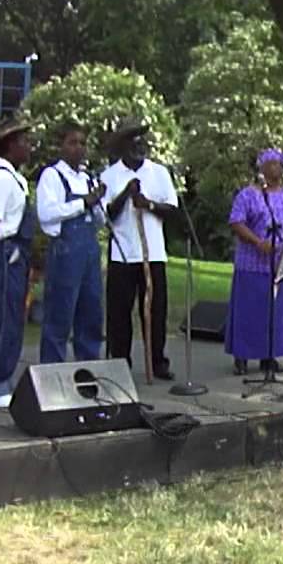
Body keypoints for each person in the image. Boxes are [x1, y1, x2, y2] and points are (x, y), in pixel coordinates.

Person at [100, 118, 179, 380]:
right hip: (122, 254)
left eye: (141, 139)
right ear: (122, 146)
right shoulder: (109, 176)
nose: (139, 145)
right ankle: (120, 361)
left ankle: (157, 360)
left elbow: (173, 209)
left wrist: (150, 205)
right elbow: (106, 214)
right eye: (132, 140)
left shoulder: (159, 172)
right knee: (120, 312)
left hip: (153, 254)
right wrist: (125, 194)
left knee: (156, 311)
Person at [225, 149, 283, 376]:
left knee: (275, 313)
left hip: (280, 265)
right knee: (249, 311)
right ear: (261, 168)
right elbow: (236, 222)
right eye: (269, 164)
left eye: (278, 164)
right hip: (252, 264)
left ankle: (269, 356)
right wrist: (258, 242)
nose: (274, 168)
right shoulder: (249, 195)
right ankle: (241, 357)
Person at [37, 124, 106, 364]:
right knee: (60, 313)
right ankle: (52, 371)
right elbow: (46, 214)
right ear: (61, 146)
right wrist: (82, 204)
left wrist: (98, 203)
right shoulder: (52, 175)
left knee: (91, 311)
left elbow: (99, 221)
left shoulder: (87, 178)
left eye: (83, 143)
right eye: (73, 142)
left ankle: (88, 366)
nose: (79, 148)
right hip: (65, 250)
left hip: (88, 249)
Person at [0, 120, 36, 408]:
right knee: (3, 320)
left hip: (18, 254)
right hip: (5, 252)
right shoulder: (0, 179)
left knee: (14, 318)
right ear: (10, 145)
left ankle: (5, 377)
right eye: (24, 141)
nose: (29, 146)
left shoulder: (15, 178)